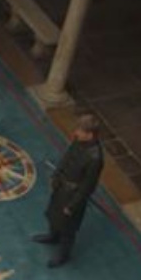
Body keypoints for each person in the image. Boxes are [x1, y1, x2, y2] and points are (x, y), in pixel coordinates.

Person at [32, 114, 105, 268]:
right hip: (61, 187)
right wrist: (56, 175)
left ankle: (63, 256)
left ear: (90, 135)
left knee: (68, 228)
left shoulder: (95, 158)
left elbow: (88, 186)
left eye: (80, 130)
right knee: (53, 215)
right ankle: (53, 237)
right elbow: (66, 158)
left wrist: (72, 205)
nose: (76, 132)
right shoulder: (78, 141)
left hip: (72, 195)